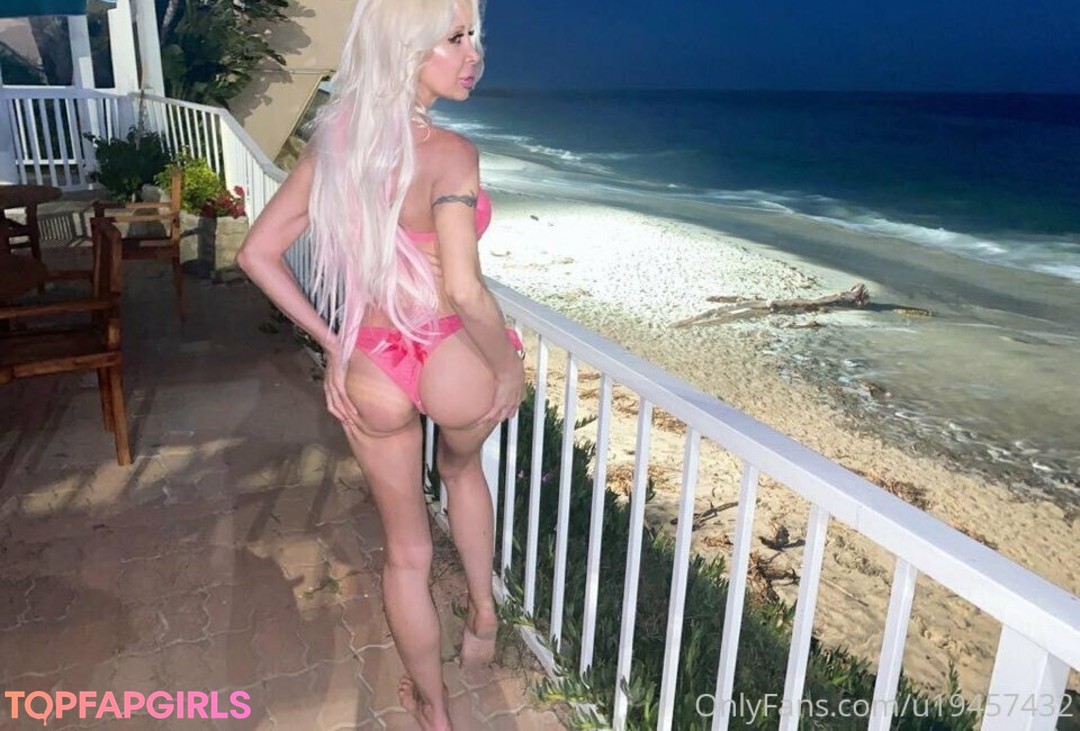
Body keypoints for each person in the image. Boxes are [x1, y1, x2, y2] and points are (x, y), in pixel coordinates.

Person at [236, 0, 525, 727]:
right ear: (405, 49)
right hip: (452, 354)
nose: (474, 54)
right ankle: (483, 613)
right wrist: (508, 368)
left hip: (371, 363)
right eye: (455, 38)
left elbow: (257, 253)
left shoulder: (338, 147)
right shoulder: (452, 153)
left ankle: (434, 710)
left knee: (406, 554)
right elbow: (465, 290)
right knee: (461, 472)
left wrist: (334, 343)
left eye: (475, 36)